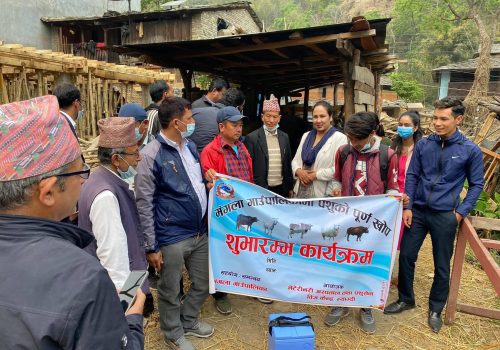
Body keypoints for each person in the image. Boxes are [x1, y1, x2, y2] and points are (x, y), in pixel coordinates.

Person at [0, 95, 145, 349]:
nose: (83, 181)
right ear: (47, 192)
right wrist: (131, 320)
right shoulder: (83, 280)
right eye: (79, 171)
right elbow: (114, 256)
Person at [384, 97, 484, 333]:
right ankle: (406, 299)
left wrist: (459, 213)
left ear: (458, 119)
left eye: (443, 119)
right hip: (417, 211)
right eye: (435, 118)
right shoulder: (424, 145)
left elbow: (477, 184)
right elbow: (413, 176)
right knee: (407, 256)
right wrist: (408, 207)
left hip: (445, 215)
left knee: (441, 265)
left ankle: (436, 308)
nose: (437, 123)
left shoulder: (469, 150)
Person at [136, 96, 213, 350]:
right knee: (170, 289)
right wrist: (151, 246)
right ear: (177, 122)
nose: (193, 123)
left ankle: (188, 320)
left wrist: (208, 182)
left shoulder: (189, 146)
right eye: (190, 119)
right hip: (172, 234)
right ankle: (172, 332)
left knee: (202, 284)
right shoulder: (151, 155)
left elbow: (194, 182)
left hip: (199, 230)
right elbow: (144, 202)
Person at [325, 111, 401, 334]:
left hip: (373, 225)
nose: (354, 143)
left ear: (373, 133)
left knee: (368, 263)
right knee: (343, 261)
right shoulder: (344, 152)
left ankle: (366, 306)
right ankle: (340, 302)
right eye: (350, 138)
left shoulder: (388, 155)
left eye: (358, 139)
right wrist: (335, 192)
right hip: (347, 220)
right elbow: (336, 180)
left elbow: (392, 188)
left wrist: (394, 201)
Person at [78, 117, 153, 317]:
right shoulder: (106, 195)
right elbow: (113, 257)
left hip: (129, 272)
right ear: (116, 159)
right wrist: (125, 306)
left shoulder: (99, 179)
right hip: (121, 284)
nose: (139, 158)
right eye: (134, 153)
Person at [201, 106, 253, 315]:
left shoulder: (243, 147)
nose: (239, 128)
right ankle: (220, 293)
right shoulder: (210, 151)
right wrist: (210, 183)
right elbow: (207, 180)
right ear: (221, 127)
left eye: (240, 124)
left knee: (245, 244)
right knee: (221, 248)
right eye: (234, 125)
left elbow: (248, 175)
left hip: (243, 207)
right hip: (223, 212)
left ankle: (248, 282)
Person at [291, 100, 347, 198]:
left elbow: (340, 168)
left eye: (322, 116)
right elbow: (295, 160)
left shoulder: (339, 138)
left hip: (322, 193)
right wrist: (299, 171)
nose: (318, 121)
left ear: (330, 117)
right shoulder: (306, 136)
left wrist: (316, 175)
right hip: (300, 190)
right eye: (315, 117)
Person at [244, 97, 293, 198]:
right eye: (268, 116)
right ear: (262, 117)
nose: (271, 120)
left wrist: (289, 187)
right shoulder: (252, 138)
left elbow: (288, 164)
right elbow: (247, 167)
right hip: (260, 189)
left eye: (275, 117)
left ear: (279, 118)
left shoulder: (285, 137)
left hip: (281, 189)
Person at [390, 111, 423, 249]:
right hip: (393, 197)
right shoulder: (392, 148)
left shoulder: (421, 149)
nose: (403, 127)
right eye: (400, 125)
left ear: (415, 128)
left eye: (407, 125)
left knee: (404, 239)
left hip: (410, 198)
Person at [145, 80, 174, 144]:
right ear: (165, 94)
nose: (174, 95)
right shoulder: (153, 114)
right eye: (172, 92)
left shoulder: (166, 112)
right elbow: (147, 141)